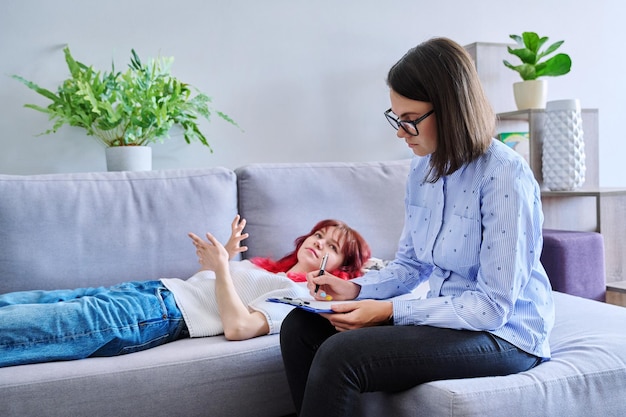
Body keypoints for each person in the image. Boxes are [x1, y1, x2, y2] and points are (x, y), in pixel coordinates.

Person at [279, 37, 555, 417]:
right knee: (300, 328)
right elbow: (411, 266)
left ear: (452, 110)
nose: (400, 132)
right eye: (397, 118)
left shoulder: (504, 176)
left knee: (342, 356)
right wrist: (355, 288)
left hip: (505, 334)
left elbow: (491, 308)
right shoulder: (421, 168)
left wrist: (389, 310)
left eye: (410, 121)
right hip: (451, 321)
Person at [0, 216, 370, 368]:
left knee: (33, 326)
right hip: (151, 290)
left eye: (332, 246)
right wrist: (222, 259)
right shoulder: (263, 267)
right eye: (319, 235)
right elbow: (209, 288)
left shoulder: (302, 297)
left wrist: (223, 266)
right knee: (29, 301)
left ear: (342, 267)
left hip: (160, 314)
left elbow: (239, 327)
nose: (319, 244)